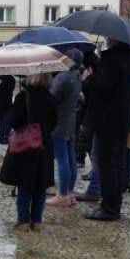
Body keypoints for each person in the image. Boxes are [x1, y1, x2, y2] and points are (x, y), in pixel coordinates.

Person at [83, 39, 130, 221]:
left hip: (107, 119)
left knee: (108, 165)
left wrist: (89, 79)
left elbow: (100, 88)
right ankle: (113, 205)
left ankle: (109, 208)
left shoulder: (112, 60)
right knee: (117, 164)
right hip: (123, 119)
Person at [0, 73, 57, 232]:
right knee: (40, 185)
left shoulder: (24, 97)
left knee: (25, 184)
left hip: (26, 147)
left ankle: (23, 221)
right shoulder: (51, 98)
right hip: (44, 147)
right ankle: (37, 221)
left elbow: (14, 121)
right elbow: (54, 123)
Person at [47, 49, 83, 206]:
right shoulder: (77, 77)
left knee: (62, 159)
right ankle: (69, 192)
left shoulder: (63, 77)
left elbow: (52, 99)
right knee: (70, 159)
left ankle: (62, 195)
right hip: (71, 121)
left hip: (59, 122)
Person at [0, 76, 16, 144]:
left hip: (6, 103)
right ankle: (1, 137)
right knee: (0, 122)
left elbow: (8, 90)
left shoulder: (10, 79)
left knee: (6, 122)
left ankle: (6, 138)